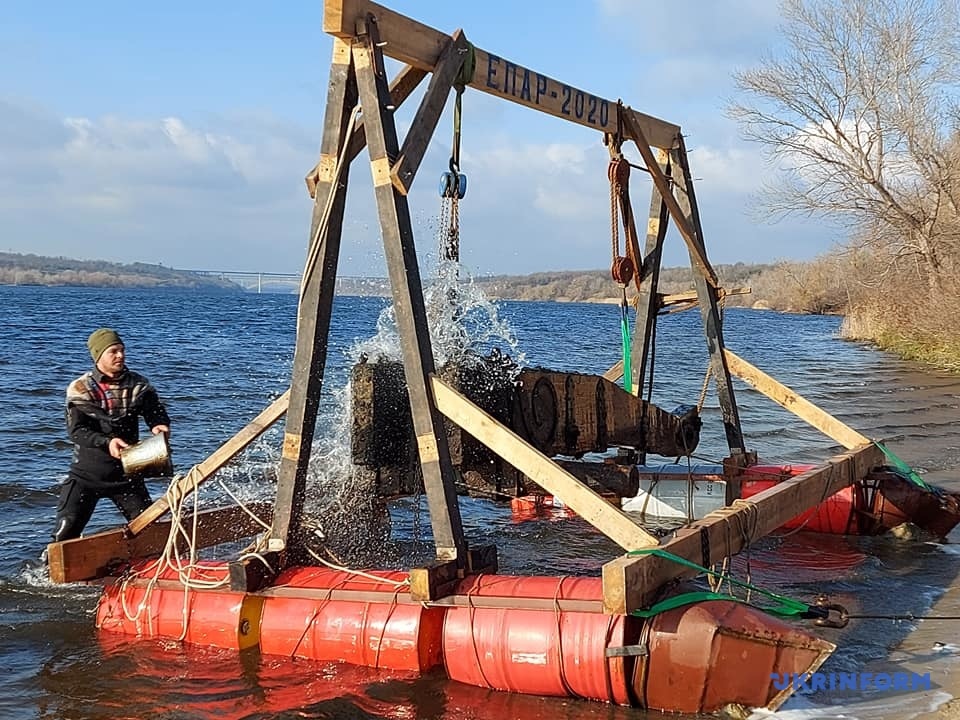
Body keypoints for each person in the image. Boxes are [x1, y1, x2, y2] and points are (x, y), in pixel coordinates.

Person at [52, 328, 171, 543]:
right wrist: (107, 442)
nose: (121, 356)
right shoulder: (81, 388)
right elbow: (77, 432)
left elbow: (155, 411)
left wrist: (159, 425)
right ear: (98, 356)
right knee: (64, 535)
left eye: (122, 350)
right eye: (113, 351)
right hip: (86, 476)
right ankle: (50, 575)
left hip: (127, 475)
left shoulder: (138, 384)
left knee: (151, 534)